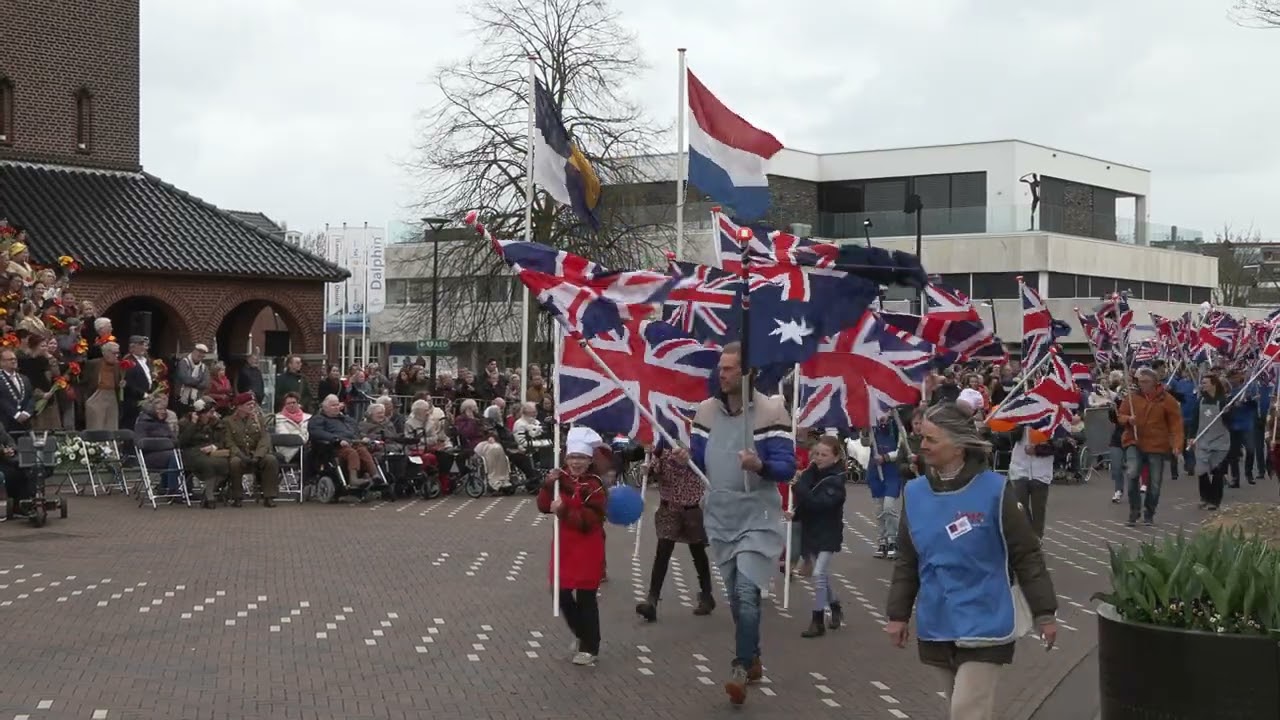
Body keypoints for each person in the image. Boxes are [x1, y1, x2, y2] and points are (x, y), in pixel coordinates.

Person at [886, 402, 1059, 720]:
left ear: (958, 446)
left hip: (986, 616)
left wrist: (1044, 612)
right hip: (938, 618)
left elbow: (1027, 554)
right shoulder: (914, 493)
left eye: (932, 440)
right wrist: (897, 614)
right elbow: (907, 561)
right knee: (962, 706)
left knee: (967, 710)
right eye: (922, 437)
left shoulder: (995, 490)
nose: (923, 446)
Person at [672, 342, 795, 706]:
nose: (720, 375)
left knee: (746, 591)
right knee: (738, 599)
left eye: (727, 369)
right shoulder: (706, 411)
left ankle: (740, 667)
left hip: (757, 515)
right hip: (721, 516)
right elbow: (698, 458)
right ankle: (753, 655)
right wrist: (683, 458)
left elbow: (786, 466)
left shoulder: (772, 409)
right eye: (720, 368)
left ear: (747, 373)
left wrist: (760, 466)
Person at [536, 430, 607, 667]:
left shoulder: (595, 486)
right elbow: (544, 506)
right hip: (564, 545)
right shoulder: (560, 480)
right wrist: (548, 485)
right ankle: (582, 634)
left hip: (587, 547)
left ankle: (590, 646)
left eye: (581, 458)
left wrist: (564, 511)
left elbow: (591, 520)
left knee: (586, 597)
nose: (576, 462)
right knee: (560, 592)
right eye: (572, 457)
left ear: (589, 460)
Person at [635, 443, 714, 623]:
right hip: (669, 508)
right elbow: (654, 473)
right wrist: (647, 470)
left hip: (692, 508)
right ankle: (652, 601)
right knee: (662, 553)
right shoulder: (662, 451)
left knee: (698, 553)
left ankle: (707, 595)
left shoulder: (699, 452)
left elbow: (708, 472)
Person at [785, 435, 846, 638]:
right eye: (817, 453)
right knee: (821, 576)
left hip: (828, 532)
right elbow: (805, 504)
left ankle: (818, 618)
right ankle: (835, 604)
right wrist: (794, 513)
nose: (819, 458)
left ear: (835, 458)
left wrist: (799, 487)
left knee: (818, 573)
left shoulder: (836, 481)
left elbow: (818, 504)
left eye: (824, 454)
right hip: (810, 531)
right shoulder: (810, 473)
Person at [1116, 367, 1184, 526]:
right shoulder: (1132, 398)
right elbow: (1120, 415)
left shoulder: (1167, 400)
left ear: (1155, 382)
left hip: (1157, 445)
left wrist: (1177, 445)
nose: (1142, 385)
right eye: (1140, 382)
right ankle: (1134, 511)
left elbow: (1176, 425)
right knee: (1132, 474)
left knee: (1154, 483)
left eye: (1146, 382)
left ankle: (1149, 512)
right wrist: (1128, 419)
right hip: (1134, 441)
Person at [222, 392, 280, 507]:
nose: (252, 407)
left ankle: (269, 497)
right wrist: (241, 455)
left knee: (271, 460)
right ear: (239, 406)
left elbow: (265, 439)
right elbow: (229, 442)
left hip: (256, 453)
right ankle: (237, 497)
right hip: (240, 454)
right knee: (235, 463)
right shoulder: (228, 421)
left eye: (253, 404)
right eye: (248, 404)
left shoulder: (258, 420)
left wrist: (258, 455)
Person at [308, 394, 376, 485]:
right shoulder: (318, 419)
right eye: (333, 405)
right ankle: (353, 479)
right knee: (351, 453)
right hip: (334, 447)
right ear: (325, 407)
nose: (336, 407)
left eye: (337, 405)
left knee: (363, 450)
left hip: (353, 443)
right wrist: (337, 440)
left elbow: (356, 432)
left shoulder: (346, 420)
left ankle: (375, 475)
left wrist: (362, 438)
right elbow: (317, 433)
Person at [178, 398, 232, 509]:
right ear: (200, 413)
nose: (212, 415)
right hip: (192, 452)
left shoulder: (215, 422)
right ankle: (210, 496)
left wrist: (214, 446)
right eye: (209, 412)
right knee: (208, 464)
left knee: (227, 463)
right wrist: (193, 424)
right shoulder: (185, 422)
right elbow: (182, 441)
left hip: (211, 451)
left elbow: (223, 439)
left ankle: (208, 493)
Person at [1188, 374, 1231, 511]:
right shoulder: (1200, 401)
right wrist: (1191, 436)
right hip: (1203, 440)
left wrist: (1227, 413)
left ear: (1214, 384)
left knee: (1218, 472)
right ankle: (1204, 497)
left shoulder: (1223, 401)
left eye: (1205, 382)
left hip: (1220, 441)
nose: (1203, 385)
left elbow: (1229, 421)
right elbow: (1194, 420)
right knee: (1202, 471)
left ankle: (1215, 500)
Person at [864, 414, 903, 558]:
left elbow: (902, 448)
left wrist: (886, 457)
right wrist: (864, 429)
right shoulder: (873, 426)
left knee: (889, 507)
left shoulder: (897, 427)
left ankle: (893, 539)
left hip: (892, 473)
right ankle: (882, 541)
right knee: (879, 510)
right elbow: (864, 442)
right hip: (876, 473)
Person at [1007, 425, 1054, 539]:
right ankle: (1027, 538)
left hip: (1041, 473)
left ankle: (1037, 538)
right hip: (1019, 470)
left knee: (1038, 511)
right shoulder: (1020, 418)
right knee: (1020, 508)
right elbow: (1011, 440)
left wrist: (1037, 450)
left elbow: (1060, 446)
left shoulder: (1052, 419)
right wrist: (1016, 426)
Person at [81, 341, 124, 431]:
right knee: (96, 426)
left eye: (118, 353)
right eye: (114, 353)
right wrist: (87, 400)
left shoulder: (119, 365)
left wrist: (122, 384)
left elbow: (120, 381)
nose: (117, 356)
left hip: (112, 397)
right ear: (105, 353)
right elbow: (83, 382)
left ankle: (111, 445)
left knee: (112, 426)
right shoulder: (93, 364)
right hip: (96, 396)